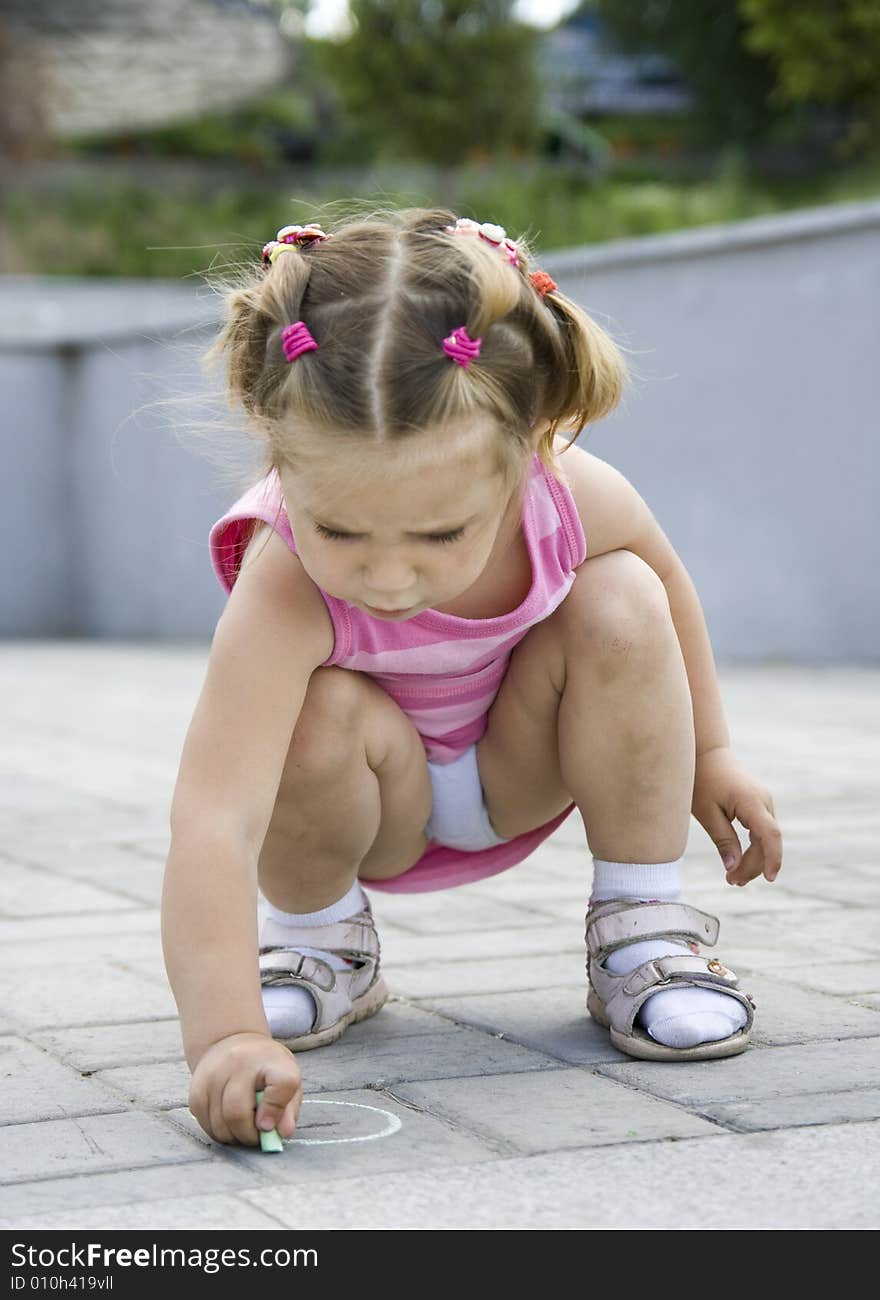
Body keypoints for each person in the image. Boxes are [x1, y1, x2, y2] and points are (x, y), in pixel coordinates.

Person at [161, 208, 782, 1148]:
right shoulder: (282, 573)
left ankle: (644, 931)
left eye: (440, 534)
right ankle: (321, 944)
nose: (388, 576)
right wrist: (225, 1035)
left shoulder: (573, 497)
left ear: (530, 442)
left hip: (522, 765)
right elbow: (216, 813)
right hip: (373, 809)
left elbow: (669, 590)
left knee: (619, 596)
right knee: (308, 707)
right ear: (279, 458)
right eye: (341, 531)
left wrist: (713, 753)